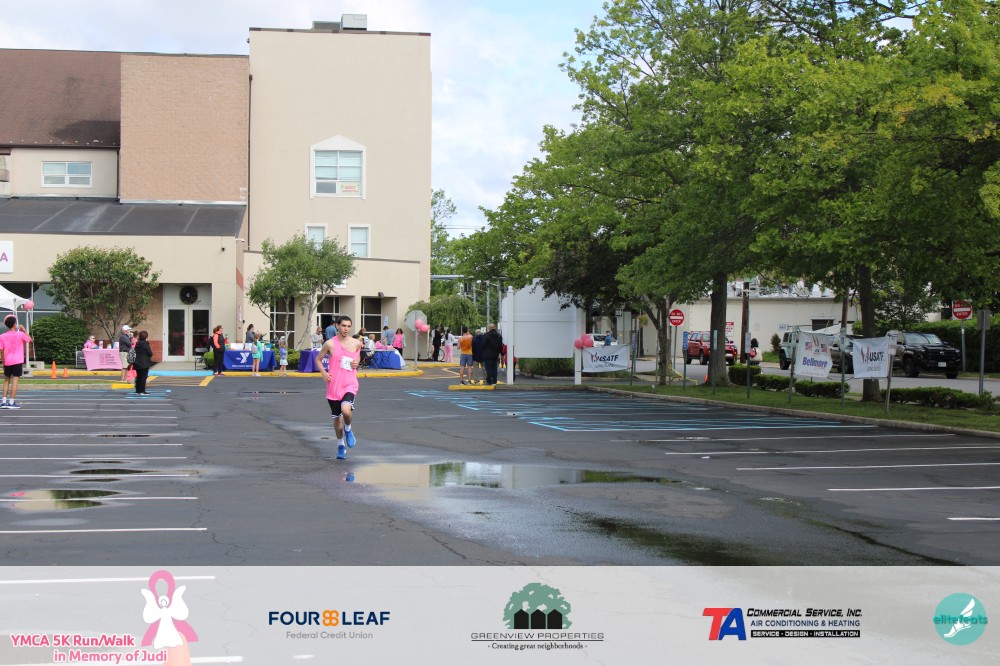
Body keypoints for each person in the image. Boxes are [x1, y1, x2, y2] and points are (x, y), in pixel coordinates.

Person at [318, 315, 362, 460]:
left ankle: (348, 429)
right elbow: (318, 359)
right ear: (337, 326)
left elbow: (357, 357)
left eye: (349, 326)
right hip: (334, 385)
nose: (346, 329)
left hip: (350, 383)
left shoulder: (356, 343)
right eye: (343, 326)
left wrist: (356, 363)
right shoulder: (330, 344)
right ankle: (340, 445)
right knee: (337, 421)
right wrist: (323, 372)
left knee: (346, 410)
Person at [0, 315, 32, 409]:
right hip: (17, 361)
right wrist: (24, 330)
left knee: (6, 380)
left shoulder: (2, 336)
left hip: (7, 361)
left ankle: (3, 402)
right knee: (15, 381)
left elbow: (1, 351)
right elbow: (30, 340)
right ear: (14, 324)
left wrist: (3, 362)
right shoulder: (20, 334)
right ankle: (11, 402)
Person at [133, 330, 154, 395]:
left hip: (137, 362)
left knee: (138, 377)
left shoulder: (137, 343)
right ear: (146, 337)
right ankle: (142, 391)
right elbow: (150, 353)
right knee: (143, 377)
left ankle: (138, 391)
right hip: (144, 363)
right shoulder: (145, 344)